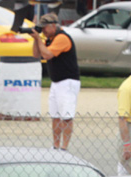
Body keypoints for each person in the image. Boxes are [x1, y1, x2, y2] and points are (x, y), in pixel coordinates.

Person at [31, 13, 79, 151]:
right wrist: (36, 39)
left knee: (66, 116)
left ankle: (64, 146)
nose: (43, 31)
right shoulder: (49, 39)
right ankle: (56, 145)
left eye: (45, 28)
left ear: (53, 25)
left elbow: (47, 55)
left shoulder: (62, 38)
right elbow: (36, 54)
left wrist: (38, 39)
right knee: (55, 115)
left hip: (68, 81)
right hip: (57, 82)